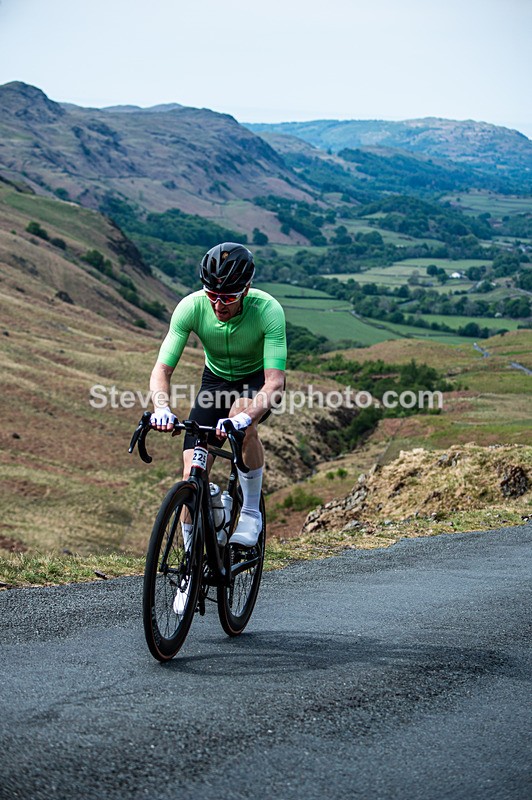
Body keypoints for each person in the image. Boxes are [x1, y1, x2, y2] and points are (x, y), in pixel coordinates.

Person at [149, 241, 286, 548]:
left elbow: (275, 382)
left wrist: (246, 418)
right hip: (215, 382)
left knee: (241, 416)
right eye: (212, 294)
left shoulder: (268, 310)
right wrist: (161, 408)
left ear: (246, 289)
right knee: (191, 473)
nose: (218, 304)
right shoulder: (191, 306)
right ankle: (190, 570)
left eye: (228, 297)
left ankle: (251, 513)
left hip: (256, 382)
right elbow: (162, 370)